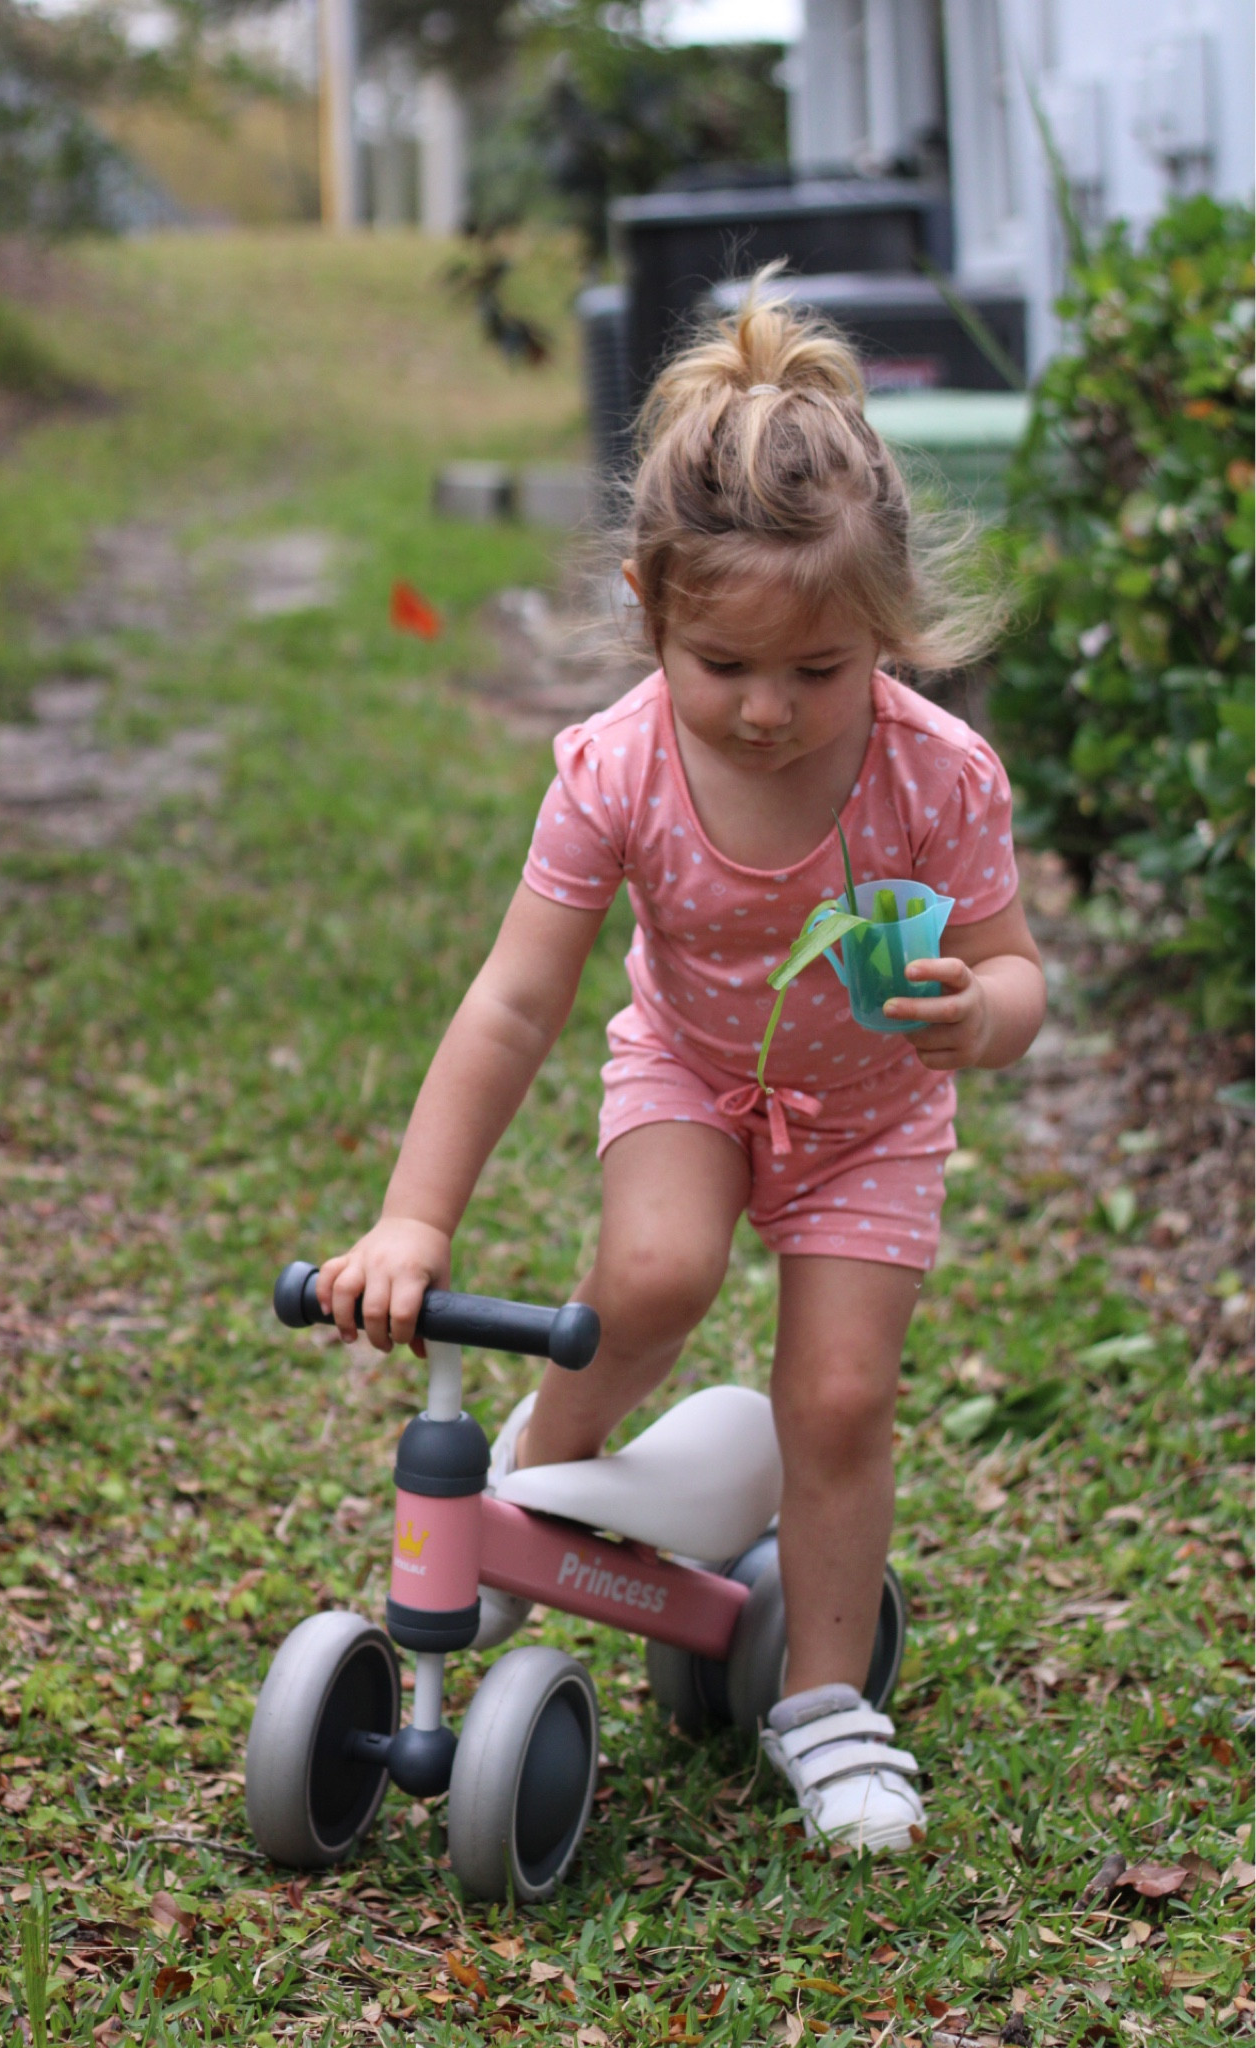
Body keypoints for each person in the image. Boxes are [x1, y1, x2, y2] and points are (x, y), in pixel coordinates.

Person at [318, 277, 1047, 1854]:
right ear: (653, 614)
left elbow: (1013, 972)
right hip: (694, 1076)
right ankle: (540, 1483)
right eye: (725, 667)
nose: (771, 712)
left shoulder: (936, 775)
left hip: (869, 1118)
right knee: (647, 1274)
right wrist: (411, 1221)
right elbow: (516, 1004)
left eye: (823, 671)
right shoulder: (620, 768)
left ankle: (826, 1700)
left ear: (890, 637)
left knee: (839, 1397)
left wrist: (974, 1020)